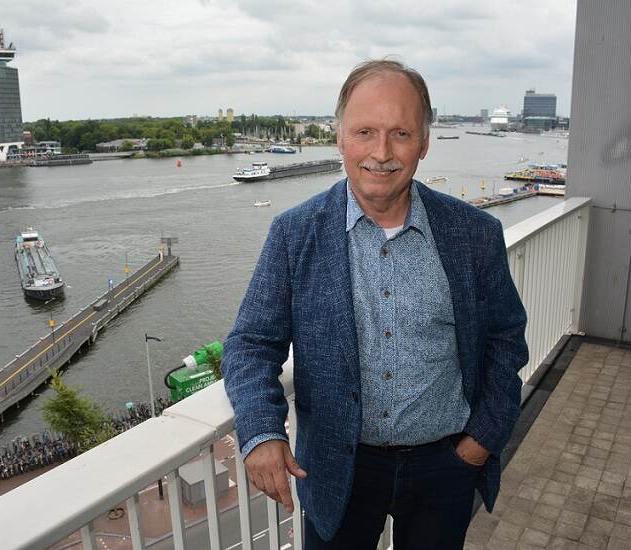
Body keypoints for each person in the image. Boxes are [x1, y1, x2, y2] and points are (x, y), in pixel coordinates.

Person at [222, 59, 528, 550]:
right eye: (365, 131)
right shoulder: (293, 234)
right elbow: (251, 344)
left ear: (424, 143)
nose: (381, 153)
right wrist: (262, 432)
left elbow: (506, 342)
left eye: (401, 133)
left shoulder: (475, 236)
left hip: (444, 469)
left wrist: (479, 444)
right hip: (337, 468)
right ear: (340, 137)